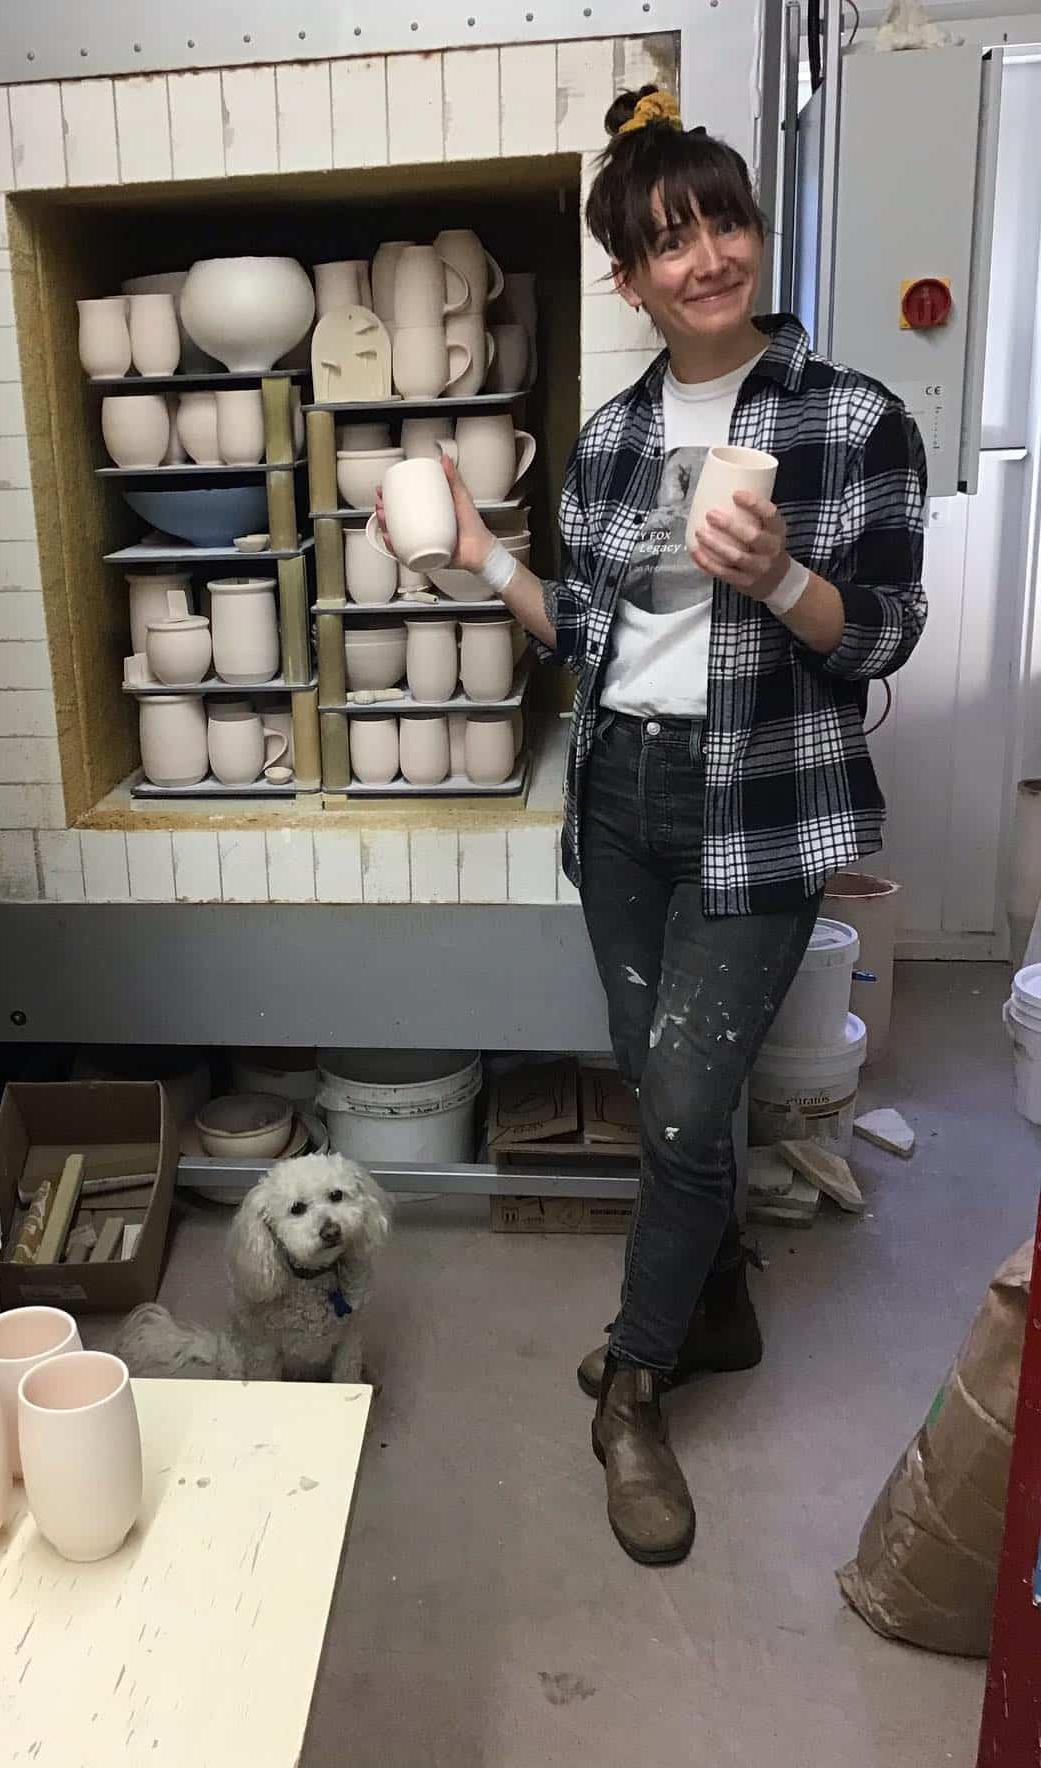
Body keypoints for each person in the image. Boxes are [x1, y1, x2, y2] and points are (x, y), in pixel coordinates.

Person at [380, 85, 927, 1564]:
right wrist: (482, 559)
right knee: (656, 1077)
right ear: (627, 279)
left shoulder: (852, 419)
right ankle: (722, 1306)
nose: (707, 258)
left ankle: (633, 1385)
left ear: (754, 234)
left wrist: (783, 585)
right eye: (670, 241)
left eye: (725, 223)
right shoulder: (617, 434)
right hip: (620, 799)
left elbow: (880, 636)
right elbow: (590, 639)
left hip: (756, 809)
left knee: (684, 1109)